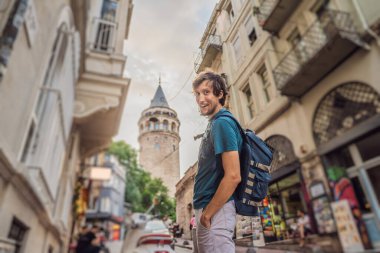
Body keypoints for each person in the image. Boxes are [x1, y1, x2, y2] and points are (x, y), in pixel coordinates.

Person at [192, 71, 242, 253]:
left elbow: (233, 175)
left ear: (220, 94)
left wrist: (207, 215)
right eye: (197, 94)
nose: (200, 99)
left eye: (206, 92)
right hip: (208, 210)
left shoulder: (222, 123)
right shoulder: (214, 123)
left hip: (215, 213)